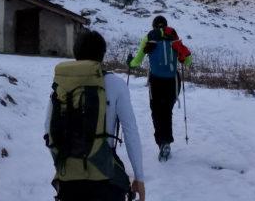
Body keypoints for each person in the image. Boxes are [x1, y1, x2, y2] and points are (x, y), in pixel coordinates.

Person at [45, 30, 146, 201]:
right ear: (102, 55)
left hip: (69, 179)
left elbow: (49, 128)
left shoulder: (62, 85)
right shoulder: (115, 84)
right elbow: (131, 132)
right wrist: (139, 178)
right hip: (106, 177)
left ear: (75, 53)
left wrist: (66, 165)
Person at [129, 15, 192, 162]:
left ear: (154, 26)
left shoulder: (149, 38)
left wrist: (129, 63)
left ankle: (162, 142)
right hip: (173, 81)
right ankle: (167, 141)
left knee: (157, 112)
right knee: (166, 111)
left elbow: (137, 61)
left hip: (156, 81)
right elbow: (188, 60)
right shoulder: (174, 38)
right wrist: (181, 58)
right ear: (166, 25)